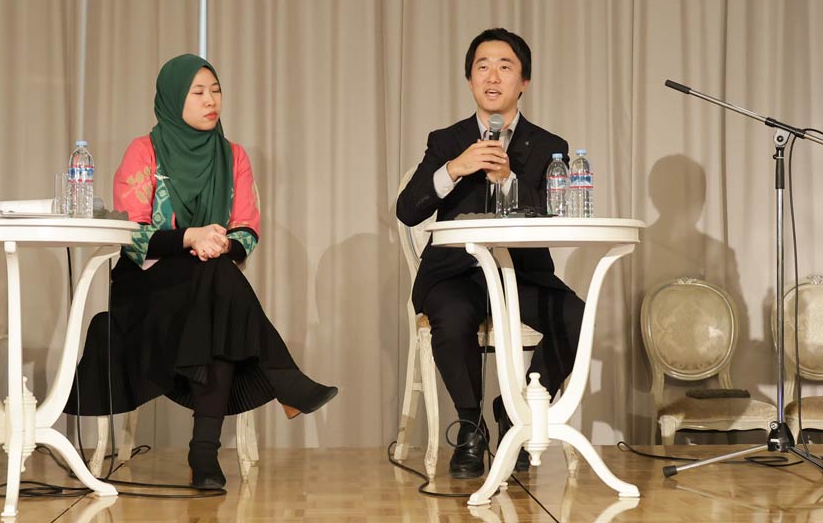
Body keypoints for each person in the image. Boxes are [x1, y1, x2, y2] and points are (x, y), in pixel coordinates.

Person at [69, 54, 337, 490]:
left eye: (216, 90)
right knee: (217, 284)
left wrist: (221, 244)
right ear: (174, 99)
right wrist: (190, 238)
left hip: (208, 286)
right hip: (147, 289)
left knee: (214, 288)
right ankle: (272, 387)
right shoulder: (144, 151)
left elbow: (246, 230)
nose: (211, 100)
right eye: (198, 92)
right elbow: (132, 235)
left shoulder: (233, 156)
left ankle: (205, 453)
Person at [396, 28, 585, 479]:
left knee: (576, 315)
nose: (492, 76)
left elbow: (555, 216)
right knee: (453, 315)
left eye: (505, 67)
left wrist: (508, 182)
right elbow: (408, 210)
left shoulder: (548, 146)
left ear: (524, 82)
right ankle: (470, 427)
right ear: (470, 80)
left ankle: (517, 413)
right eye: (482, 67)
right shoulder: (446, 140)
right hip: (454, 273)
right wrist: (454, 168)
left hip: (522, 273)